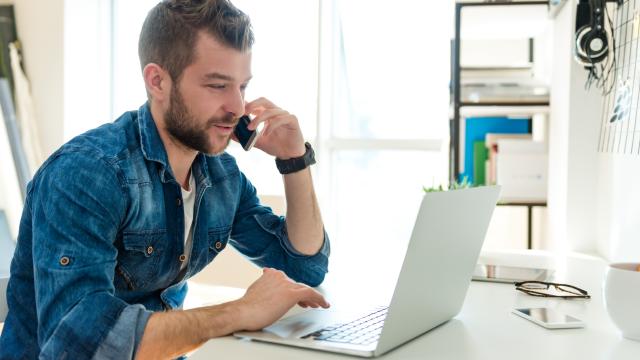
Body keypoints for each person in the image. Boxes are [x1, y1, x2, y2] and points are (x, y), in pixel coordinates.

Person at [0, 0, 330, 358]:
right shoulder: (86, 174)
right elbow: (80, 343)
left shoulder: (221, 177)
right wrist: (239, 311)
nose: (237, 107)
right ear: (157, 81)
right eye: (218, 86)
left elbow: (304, 266)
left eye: (242, 86)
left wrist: (294, 161)